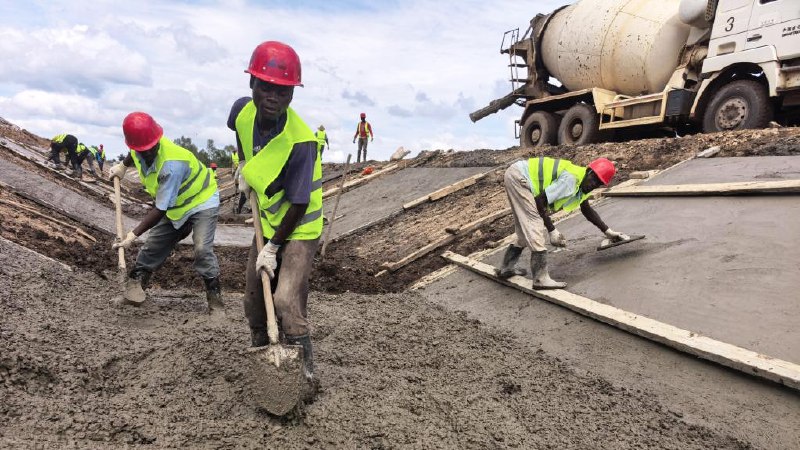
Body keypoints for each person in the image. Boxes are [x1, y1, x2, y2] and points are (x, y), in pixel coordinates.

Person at [228, 41, 322, 386]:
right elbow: (237, 130)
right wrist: (243, 165)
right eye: (266, 87)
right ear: (251, 83)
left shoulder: (301, 142)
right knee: (253, 300)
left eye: (283, 91)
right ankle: (263, 360)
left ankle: (305, 376)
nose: (273, 97)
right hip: (268, 221)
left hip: (299, 227)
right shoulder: (242, 111)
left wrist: (271, 248)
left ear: (293, 94)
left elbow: (299, 204)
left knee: (285, 299)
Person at [109, 112, 223, 314]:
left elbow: (161, 209)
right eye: (141, 150)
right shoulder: (139, 148)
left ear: (157, 139)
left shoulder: (171, 164)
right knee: (153, 245)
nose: (147, 153)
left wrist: (133, 235)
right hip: (176, 205)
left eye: (151, 148)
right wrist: (123, 167)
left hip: (202, 201)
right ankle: (134, 291)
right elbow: (134, 153)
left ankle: (215, 303)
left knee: (202, 249)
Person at [497, 156, 630, 289]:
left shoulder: (582, 183)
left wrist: (608, 231)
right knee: (534, 224)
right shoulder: (571, 179)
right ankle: (540, 279)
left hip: (516, 175)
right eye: (594, 179)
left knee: (524, 230)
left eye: (598, 183)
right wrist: (552, 230)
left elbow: (587, 210)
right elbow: (539, 202)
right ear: (588, 172)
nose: (593, 185)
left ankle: (506, 268)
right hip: (520, 177)